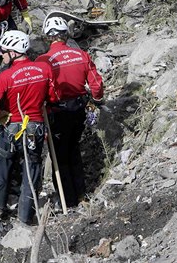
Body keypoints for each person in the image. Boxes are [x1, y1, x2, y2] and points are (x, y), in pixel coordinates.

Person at [0, 30, 59, 225]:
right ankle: (26, 216)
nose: (1, 54)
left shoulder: (4, 78)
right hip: (36, 128)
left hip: (11, 128)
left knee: (3, 165)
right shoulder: (44, 70)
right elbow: (53, 98)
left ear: (14, 52)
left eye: (3, 51)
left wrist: (2, 115)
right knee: (31, 169)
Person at [36, 16, 104, 208]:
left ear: (48, 37)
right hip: (78, 109)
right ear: (65, 35)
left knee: (60, 156)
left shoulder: (43, 61)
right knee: (74, 149)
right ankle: (81, 192)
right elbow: (96, 84)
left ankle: (69, 200)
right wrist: (97, 100)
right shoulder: (80, 55)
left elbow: (39, 90)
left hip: (56, 112)